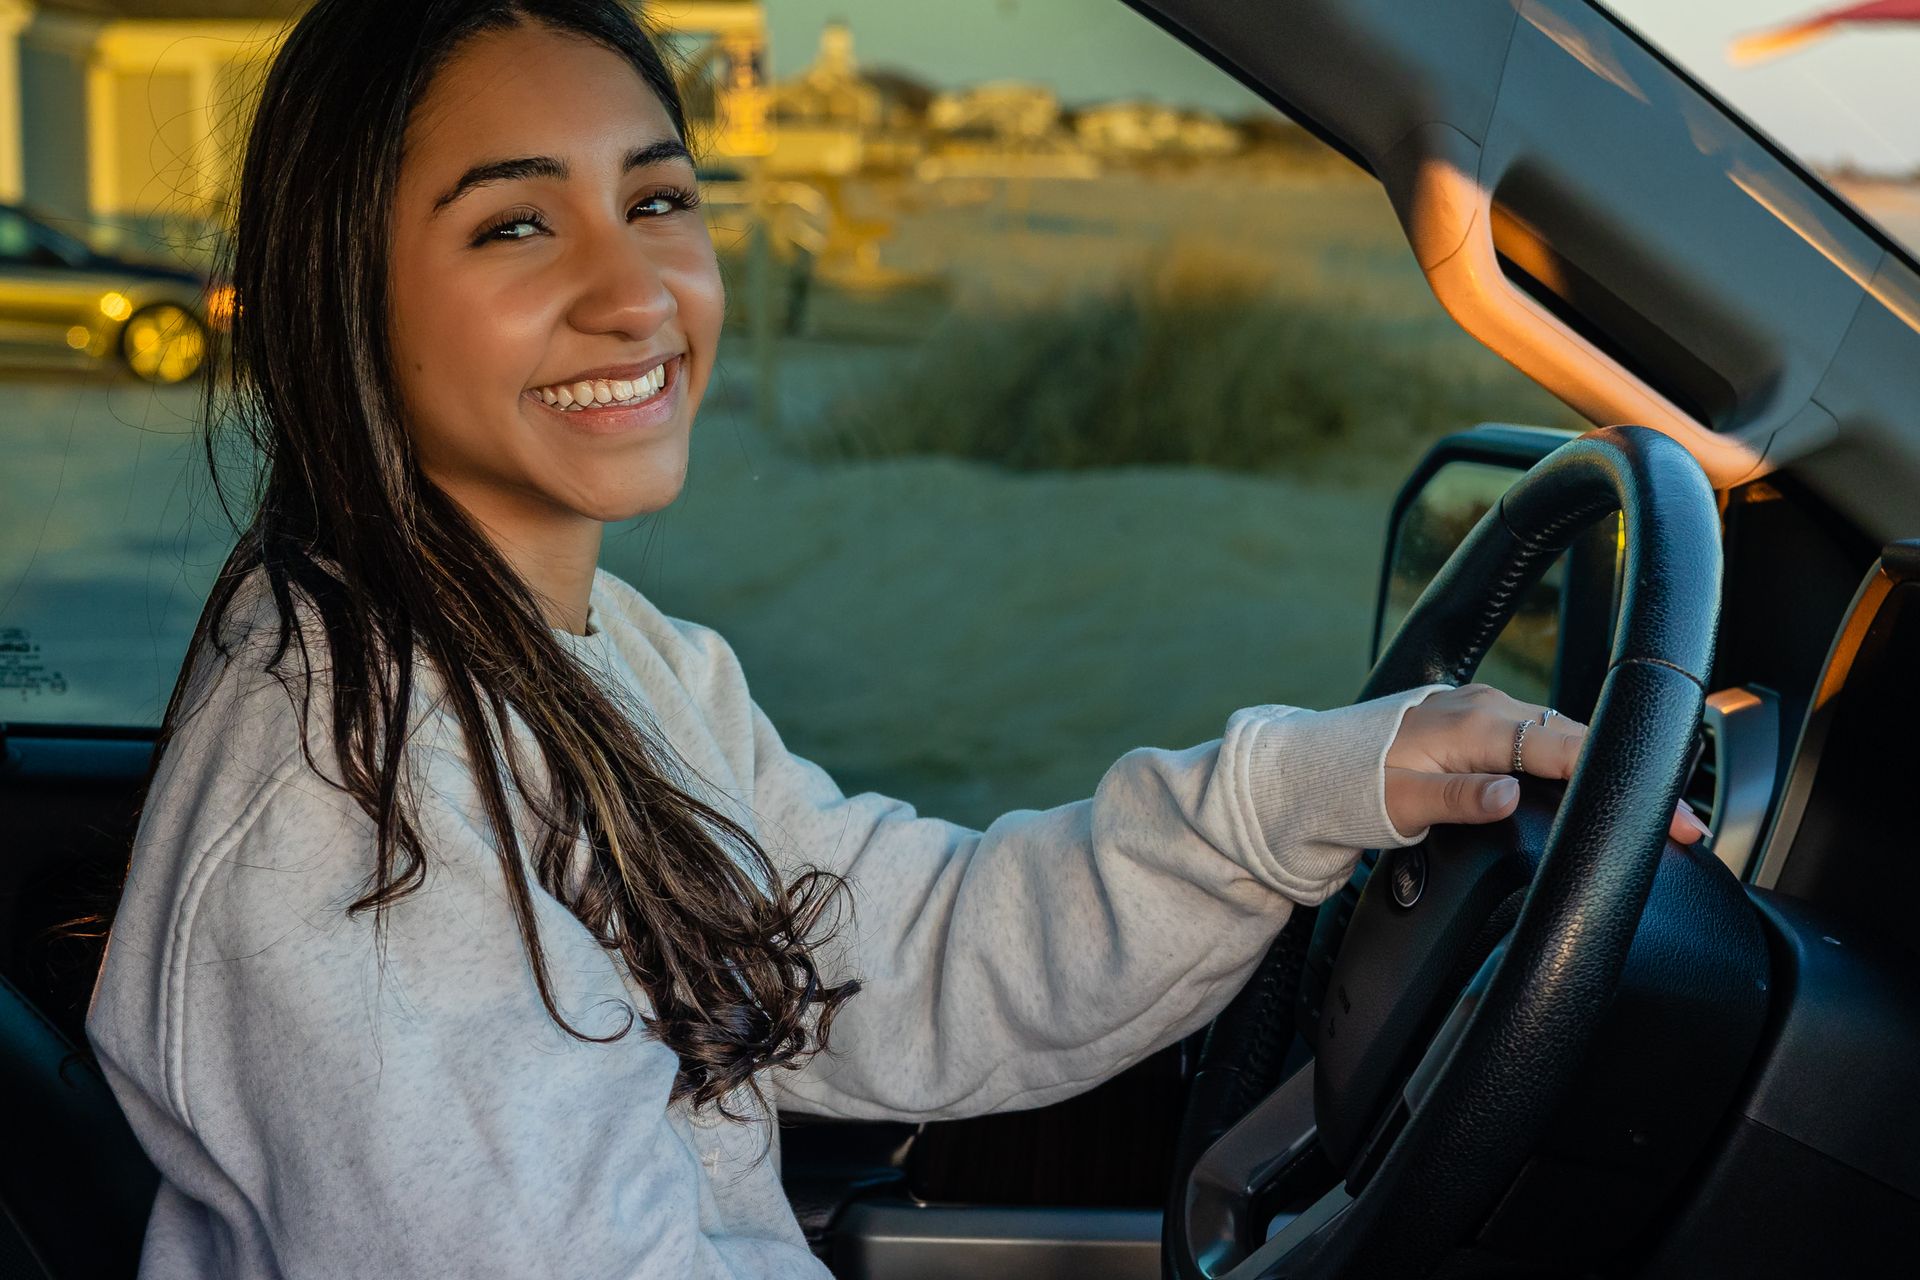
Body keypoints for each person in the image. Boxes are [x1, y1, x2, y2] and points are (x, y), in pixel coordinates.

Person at [84, 2, 1710, 1277]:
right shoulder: (358, 793)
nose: (636, 291)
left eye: (659, 199)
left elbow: (883, 952)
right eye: (516, 227)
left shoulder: (594, 657)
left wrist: (1305, 794)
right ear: (340, 294)